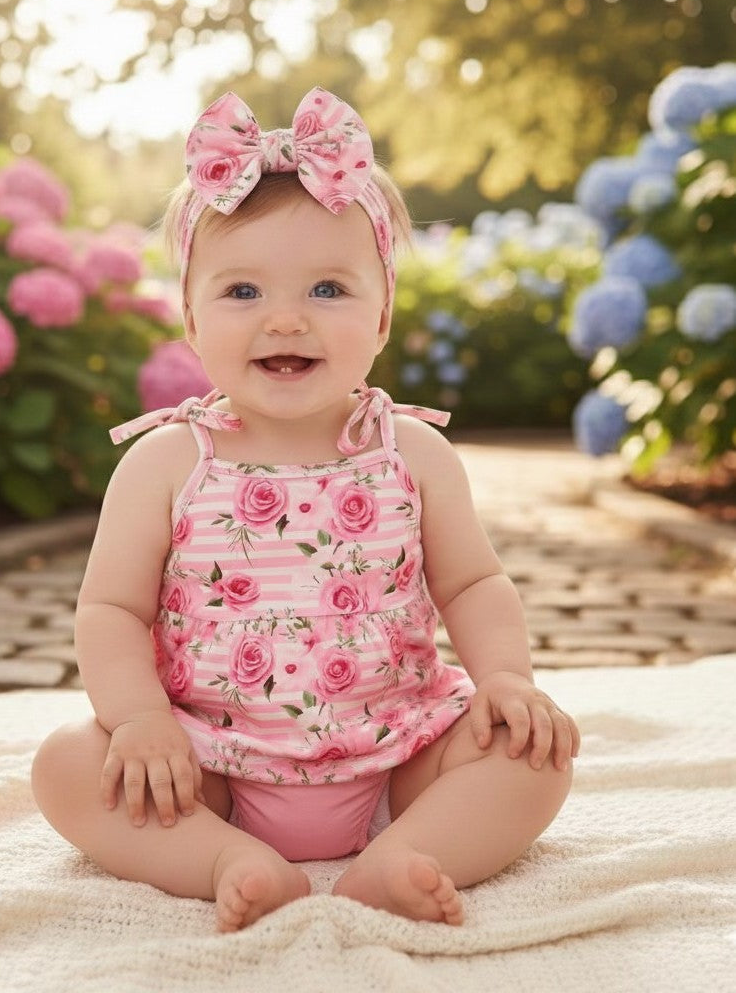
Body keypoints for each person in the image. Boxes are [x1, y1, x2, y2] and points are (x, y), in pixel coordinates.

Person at [31, 88, 580, 934]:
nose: (285, 317)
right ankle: (224, 857)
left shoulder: (414, 455)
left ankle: (401, 855)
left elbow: (474, 584)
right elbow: (111, 608)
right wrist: (141, 722)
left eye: (328, 287)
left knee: (536, 758)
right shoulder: (168, 463)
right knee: (69, 766)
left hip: (401, 758)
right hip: (207, 769)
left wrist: (506, 681)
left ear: (383, 313)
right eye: (242, 291)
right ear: (190, 318)